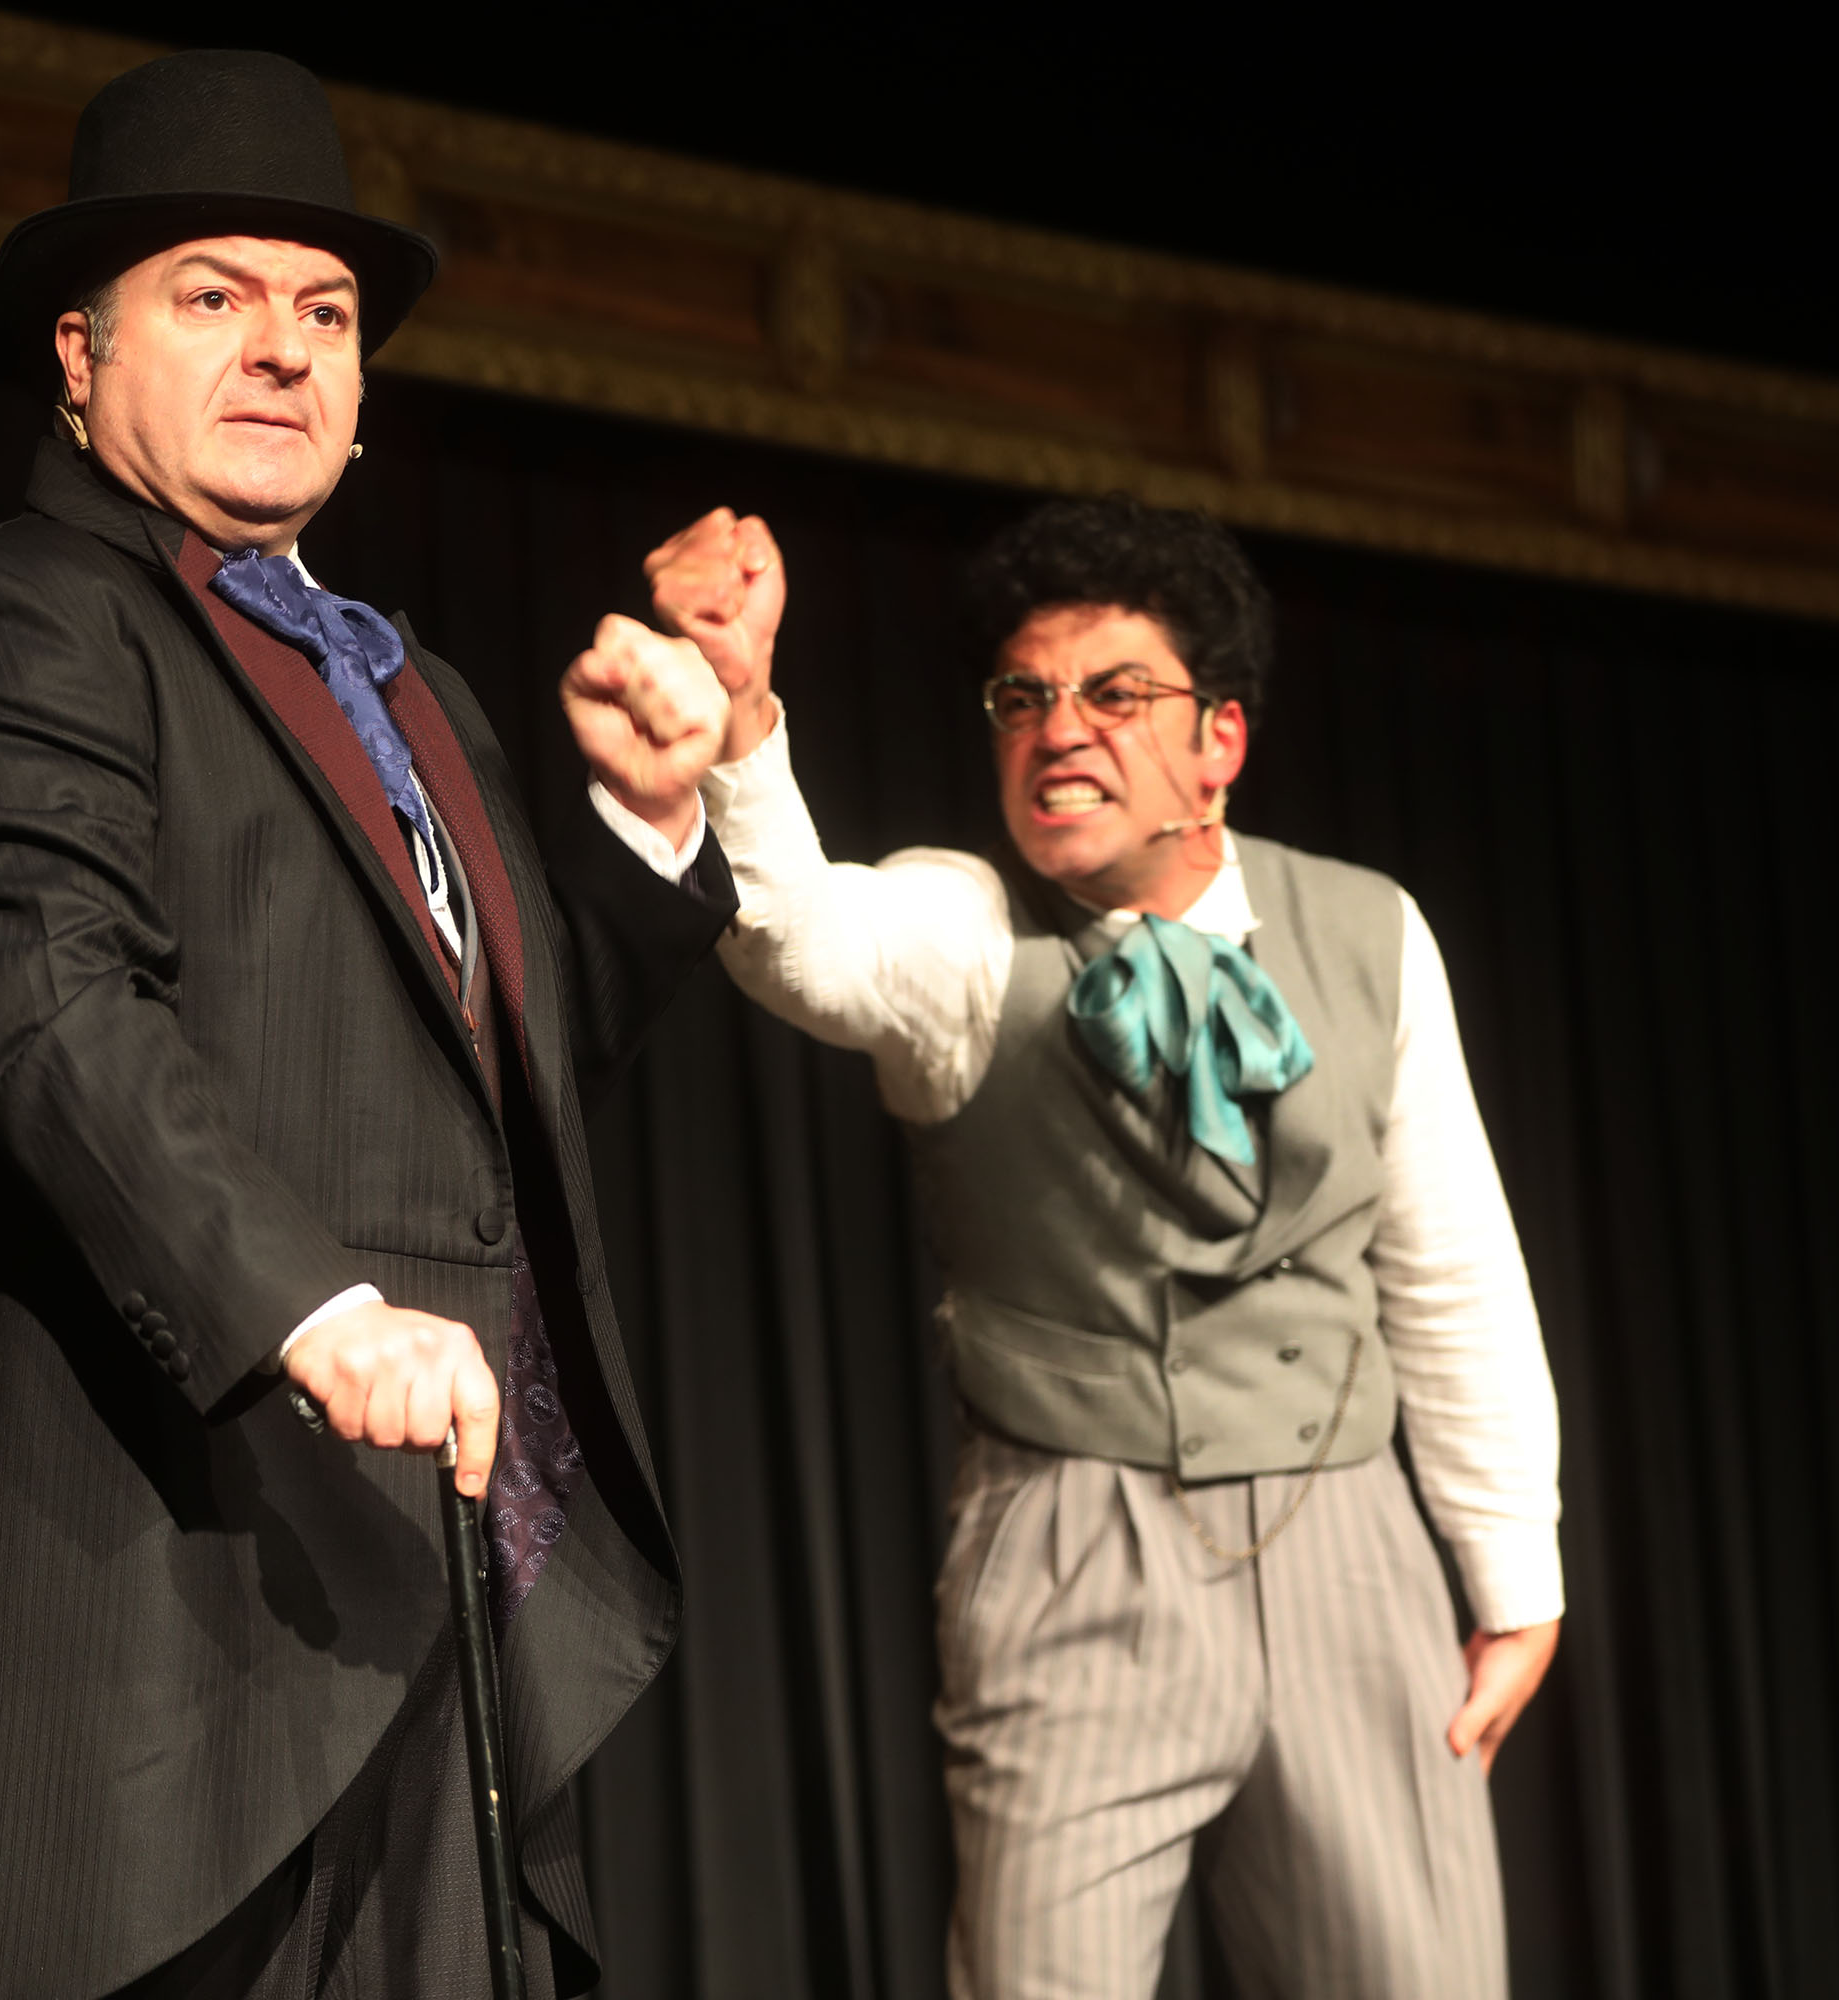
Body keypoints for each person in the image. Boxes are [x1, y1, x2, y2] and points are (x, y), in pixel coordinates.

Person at [0, 51, 737, 2000]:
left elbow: (489, 1084)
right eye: (213, 297)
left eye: (326, 313)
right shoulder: (10, 619)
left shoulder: (421, 693)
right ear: (79, 358)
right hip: (181, 1594)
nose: (285, 349)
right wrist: (314, 1313)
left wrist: (653, 829)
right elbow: (55, 1007)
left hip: (452, 1588)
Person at [648, 498, 1564, 1999]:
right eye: (1023, 698)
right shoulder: (966, 932)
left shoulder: (1370, 931)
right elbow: (804, 939)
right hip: (1074, 1551)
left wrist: (1512, 1574)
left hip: (1351, 1543)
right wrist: (743, 712)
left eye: (1115, 692)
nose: (1058, 728)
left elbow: (1451, 1266)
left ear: (1220, 740)